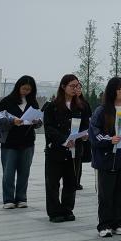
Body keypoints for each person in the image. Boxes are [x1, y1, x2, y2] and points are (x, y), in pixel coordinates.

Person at [88, 77, 121, 237]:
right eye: (120, 89)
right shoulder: (102, 111)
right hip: (107, 160)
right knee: (106, 195)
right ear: (112, 91)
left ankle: (119, 223)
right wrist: (109, 140)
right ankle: (104, 225)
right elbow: (94, 133)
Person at [42, 74, 89, 221]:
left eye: (77, 86)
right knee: (53, 183)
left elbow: (86, 125)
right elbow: (49, 128)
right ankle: (54, 212)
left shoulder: (81, 106)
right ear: (63, 87)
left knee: (71, 181)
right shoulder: (52, 106)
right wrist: (63, 140)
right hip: (56, 150)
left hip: (75, 150)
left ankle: (67, 209)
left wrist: (85, 135)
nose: (75, 89)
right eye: (72, 86)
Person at [0, 76, 42, 208]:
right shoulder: (7, 101)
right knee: (8, 172)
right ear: (18, 87)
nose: (26, 91)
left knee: (24, 172)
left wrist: (37, 122)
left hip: (27, 142)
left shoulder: (33, 102)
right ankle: (8, 199)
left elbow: (39, 122)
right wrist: (12, 121)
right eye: (24, 88)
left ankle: (21, 198)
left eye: (29, 89)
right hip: (9, 142)